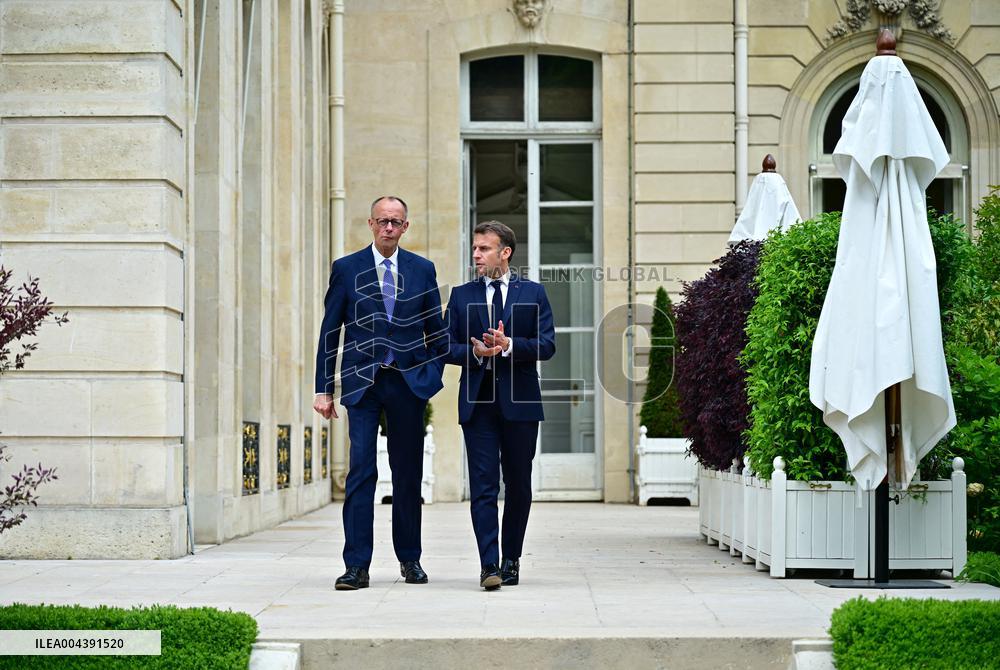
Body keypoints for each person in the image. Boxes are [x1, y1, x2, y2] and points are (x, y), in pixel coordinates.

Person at [313, 195, 446, 591]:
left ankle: (410, 560)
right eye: (382, 221)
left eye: (396, 222)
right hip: (362, 384)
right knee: (361, 472)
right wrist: (324, 389)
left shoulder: (422, 270)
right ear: (370, 224)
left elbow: (436, 331)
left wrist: (431, 374)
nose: (389, 228)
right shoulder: (346, 268)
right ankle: (356, 566)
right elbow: (330, 331)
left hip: (408, 384)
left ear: (406, 227)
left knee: (408, 475)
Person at [443, 221, 555, 590]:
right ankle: (488, 564)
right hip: (478, 406)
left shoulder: (533, 293)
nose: (476, 254)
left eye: (484, 249)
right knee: (484, 486)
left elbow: (547, 345)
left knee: (519, 485)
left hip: (520, 404)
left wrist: (509, 345)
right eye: (475, 248)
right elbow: (445, 347)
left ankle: (512, 558)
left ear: (505, 252)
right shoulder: (460, 296)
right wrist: (475, 351)